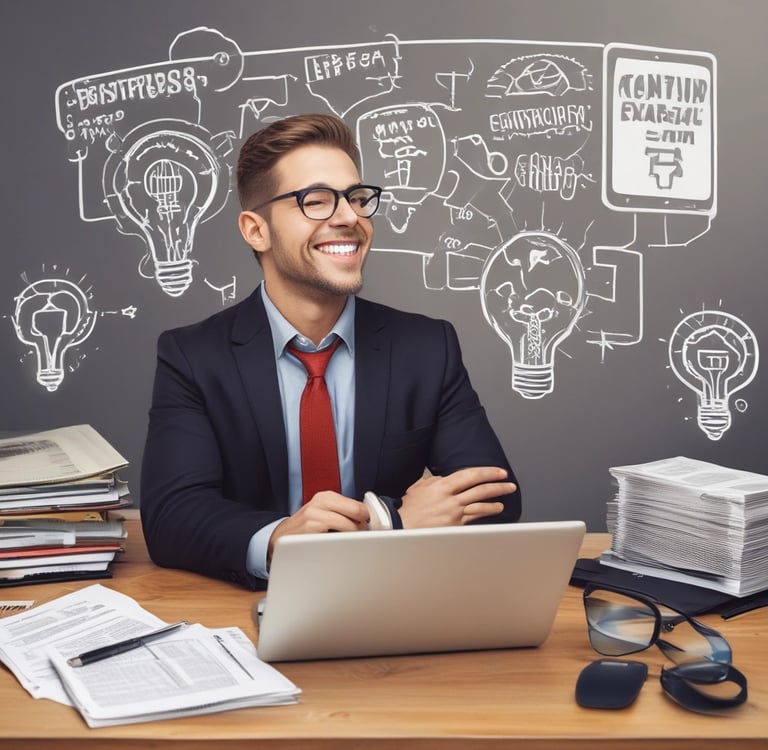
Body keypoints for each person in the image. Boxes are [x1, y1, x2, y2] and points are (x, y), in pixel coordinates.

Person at [140, 113, 521, 590]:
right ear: (256, 230)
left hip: (392, 602)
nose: (348, 217)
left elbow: (498, 498)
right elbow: (173, 519)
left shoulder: (427, 347)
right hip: (251, 612)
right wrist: (285, 538)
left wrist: (385, 529)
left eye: (357, 198)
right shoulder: (193, 356)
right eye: (315, 201)